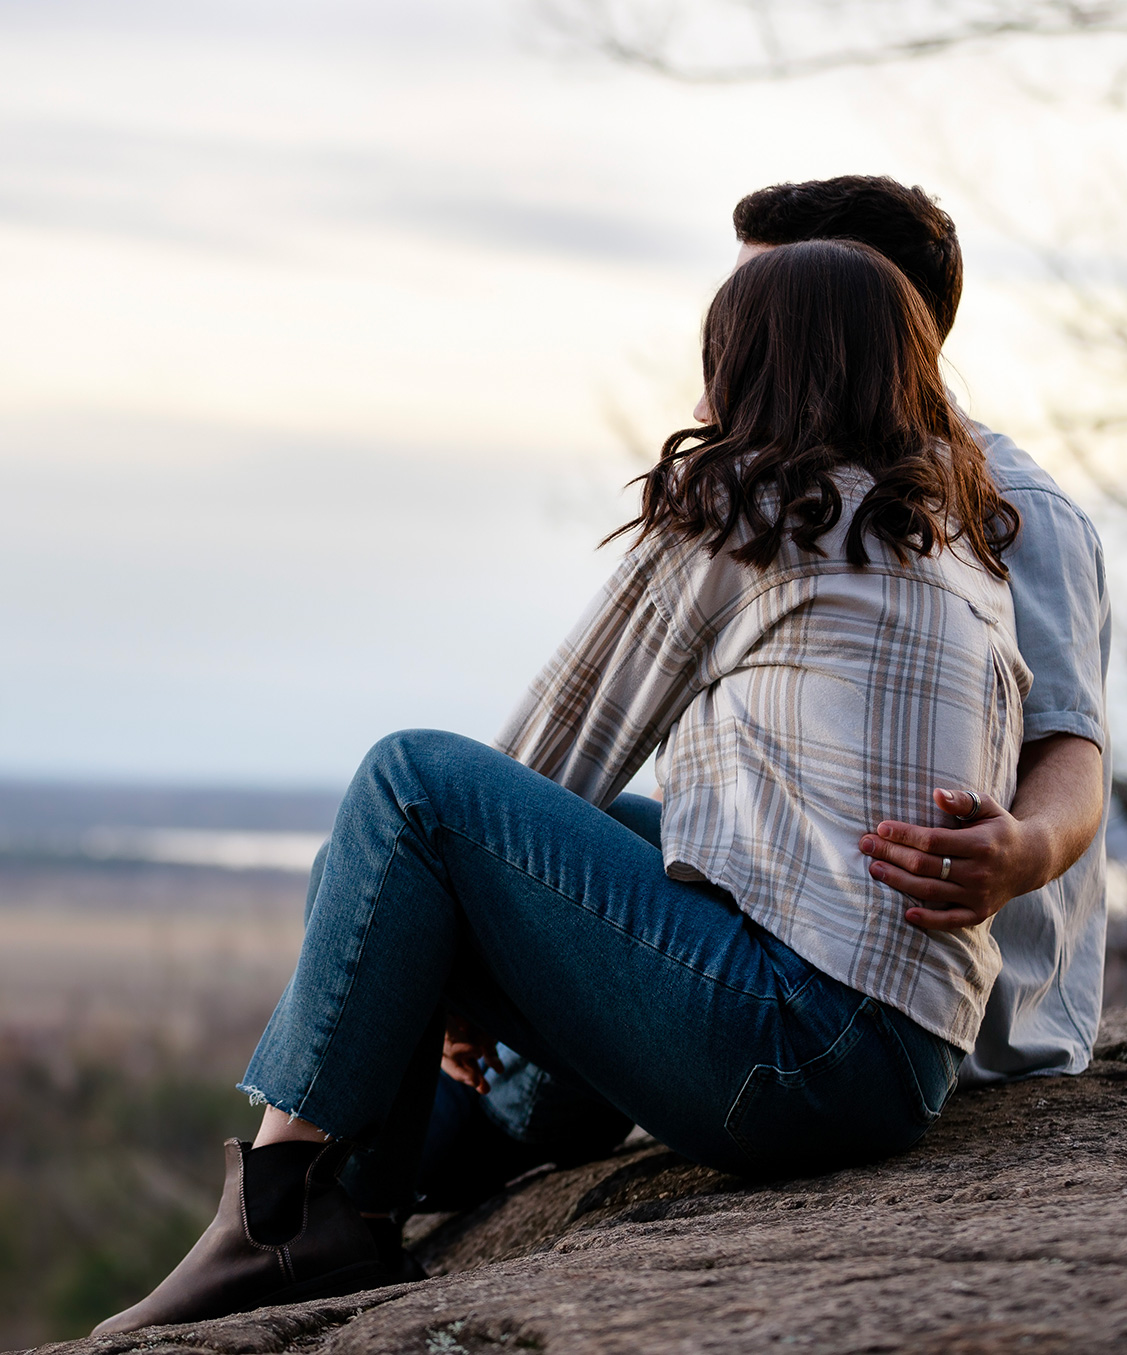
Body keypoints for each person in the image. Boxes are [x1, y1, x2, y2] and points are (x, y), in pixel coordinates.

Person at [94, 237, 1035, 1336]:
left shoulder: (758, 513)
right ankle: (477, 1134)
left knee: (408, 788)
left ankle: (289, 1209)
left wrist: (449, 944)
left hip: (794, 1048)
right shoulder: (959, 550)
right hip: (904, 1062)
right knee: (640, 833)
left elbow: (545, 758)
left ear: (751, 368)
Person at [424, 180, 1114, 1189]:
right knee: (591, 840)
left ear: (856, 315)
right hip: (805, 950)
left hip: (935, 1010)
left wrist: (1024, 849)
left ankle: (356, 1178)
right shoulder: (808, 492)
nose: (725, 360)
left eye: (764, 311)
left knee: (427, 811)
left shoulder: (1008, 503)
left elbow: (1069, 745)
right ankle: (482, 1116)